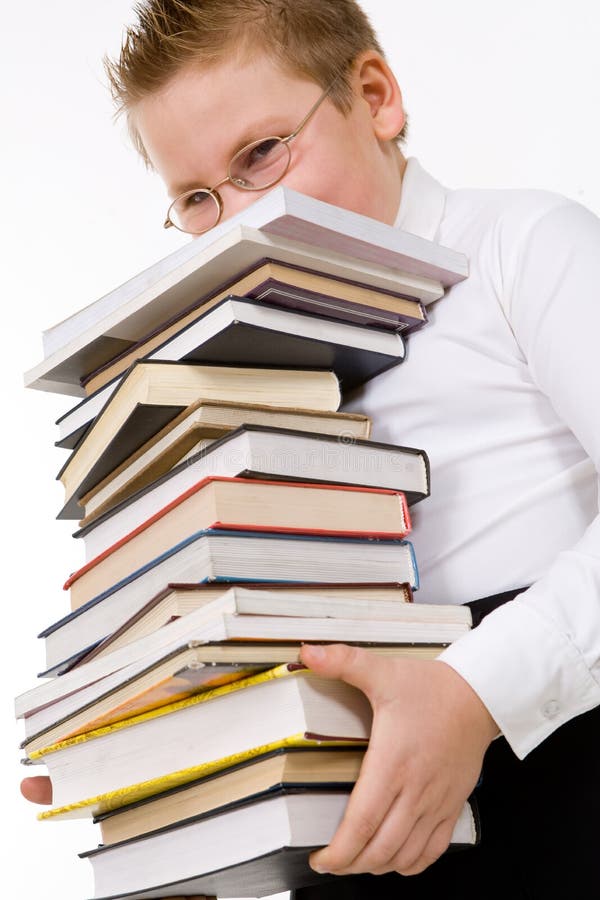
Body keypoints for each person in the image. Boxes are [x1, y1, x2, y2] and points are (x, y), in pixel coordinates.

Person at [21, 1, 600, 898]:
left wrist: (476, 693)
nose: (240, 219)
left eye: (260, 155)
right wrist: (150, 748)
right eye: (196, 199)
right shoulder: (221, 376)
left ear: (374, 96)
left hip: (554, 766)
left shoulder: (523, 246)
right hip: (354, 818)